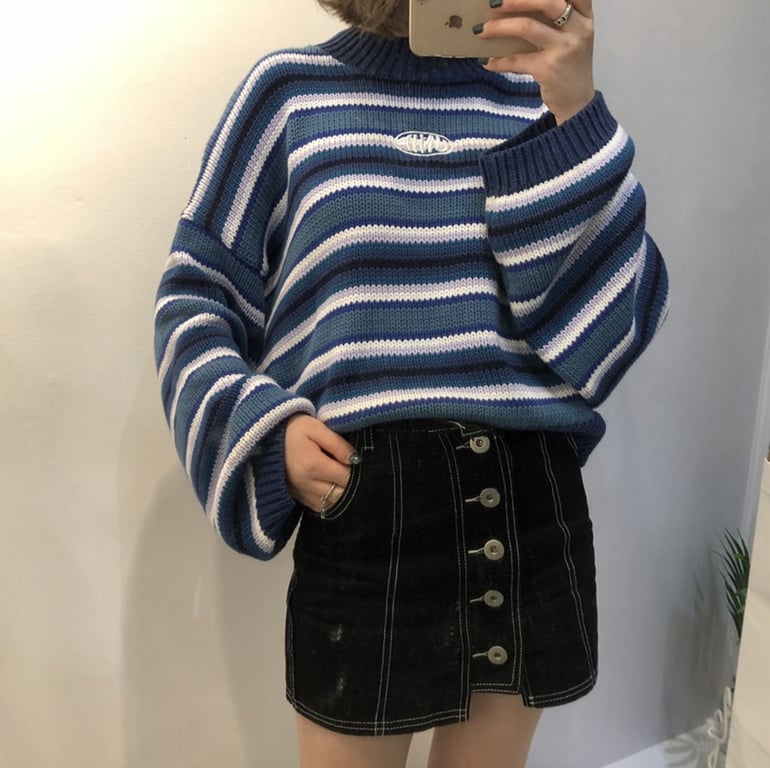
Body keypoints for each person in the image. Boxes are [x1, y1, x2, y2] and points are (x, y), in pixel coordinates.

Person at [154, 0, 669, 765]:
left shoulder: (543, 96)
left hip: (529, 501)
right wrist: (261, 427)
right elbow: (196, 295)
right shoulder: (289, 93)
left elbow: (615, 331)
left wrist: (578, 115)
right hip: (368, 508)